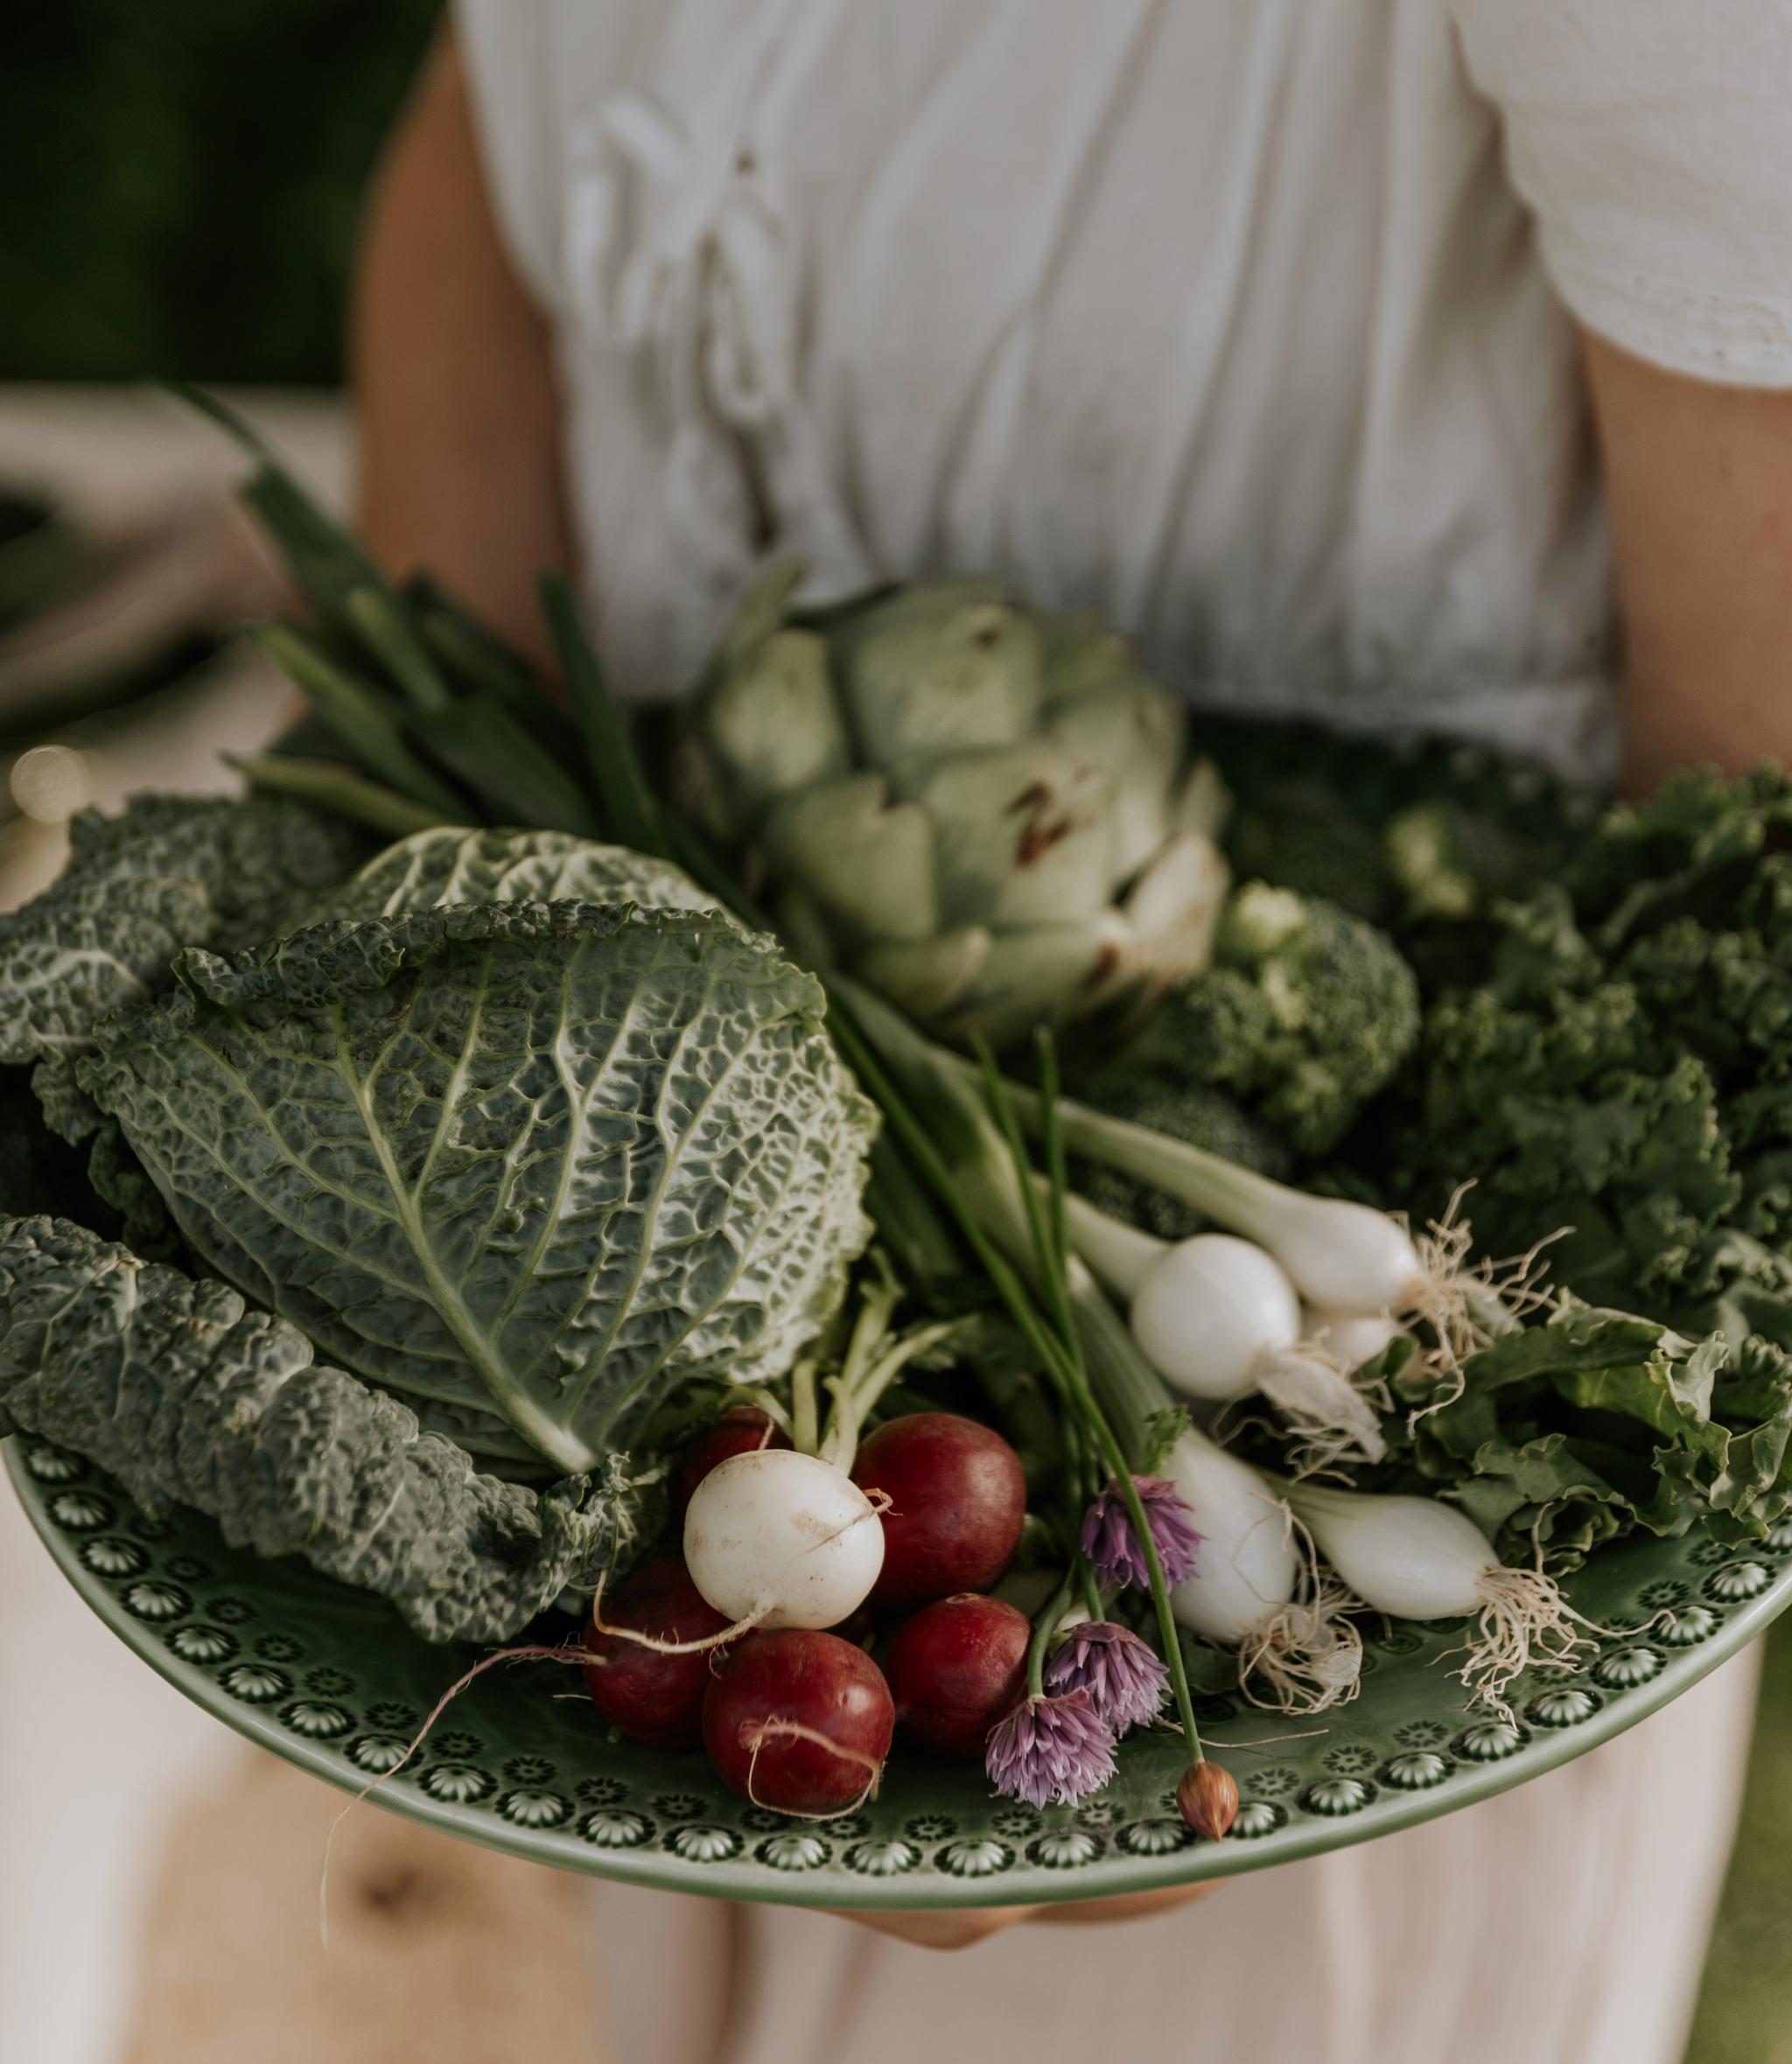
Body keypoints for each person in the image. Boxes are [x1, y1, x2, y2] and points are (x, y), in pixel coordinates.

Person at [139, 5, 1792, 2059]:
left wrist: (1337, 1673)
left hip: (1325, 1579)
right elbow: (509, 113)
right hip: (681, 1325)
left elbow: (1751, 839)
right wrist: (415, 865)